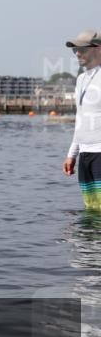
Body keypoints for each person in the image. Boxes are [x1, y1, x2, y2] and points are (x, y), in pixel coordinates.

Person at [62, 30, 101, 210]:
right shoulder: (81, 79)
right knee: (91, 208)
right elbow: (81, 118)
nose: (78, 53)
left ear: (98, 49)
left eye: (83, 49)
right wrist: (72, 154)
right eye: (75, 50)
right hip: (85, 154)